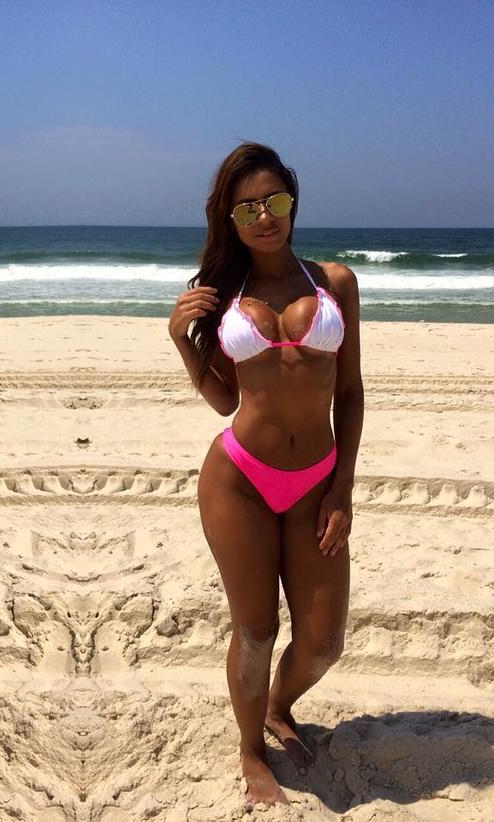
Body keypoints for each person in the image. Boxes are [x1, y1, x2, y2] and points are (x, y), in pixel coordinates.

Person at [169, 143, 363, 806]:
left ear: (293, 203)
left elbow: (351, 392)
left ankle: (279, 705)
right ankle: (252, 749)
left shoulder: (335, 283)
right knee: (254, 631)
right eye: (247, 207)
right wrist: (183, 342)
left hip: (317, 481)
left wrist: (343, 486)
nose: (264, 216)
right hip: (240, 480)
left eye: (274, 200)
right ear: (230, 218)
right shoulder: (223, 297)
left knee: (324, 643)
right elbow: (225, 400)